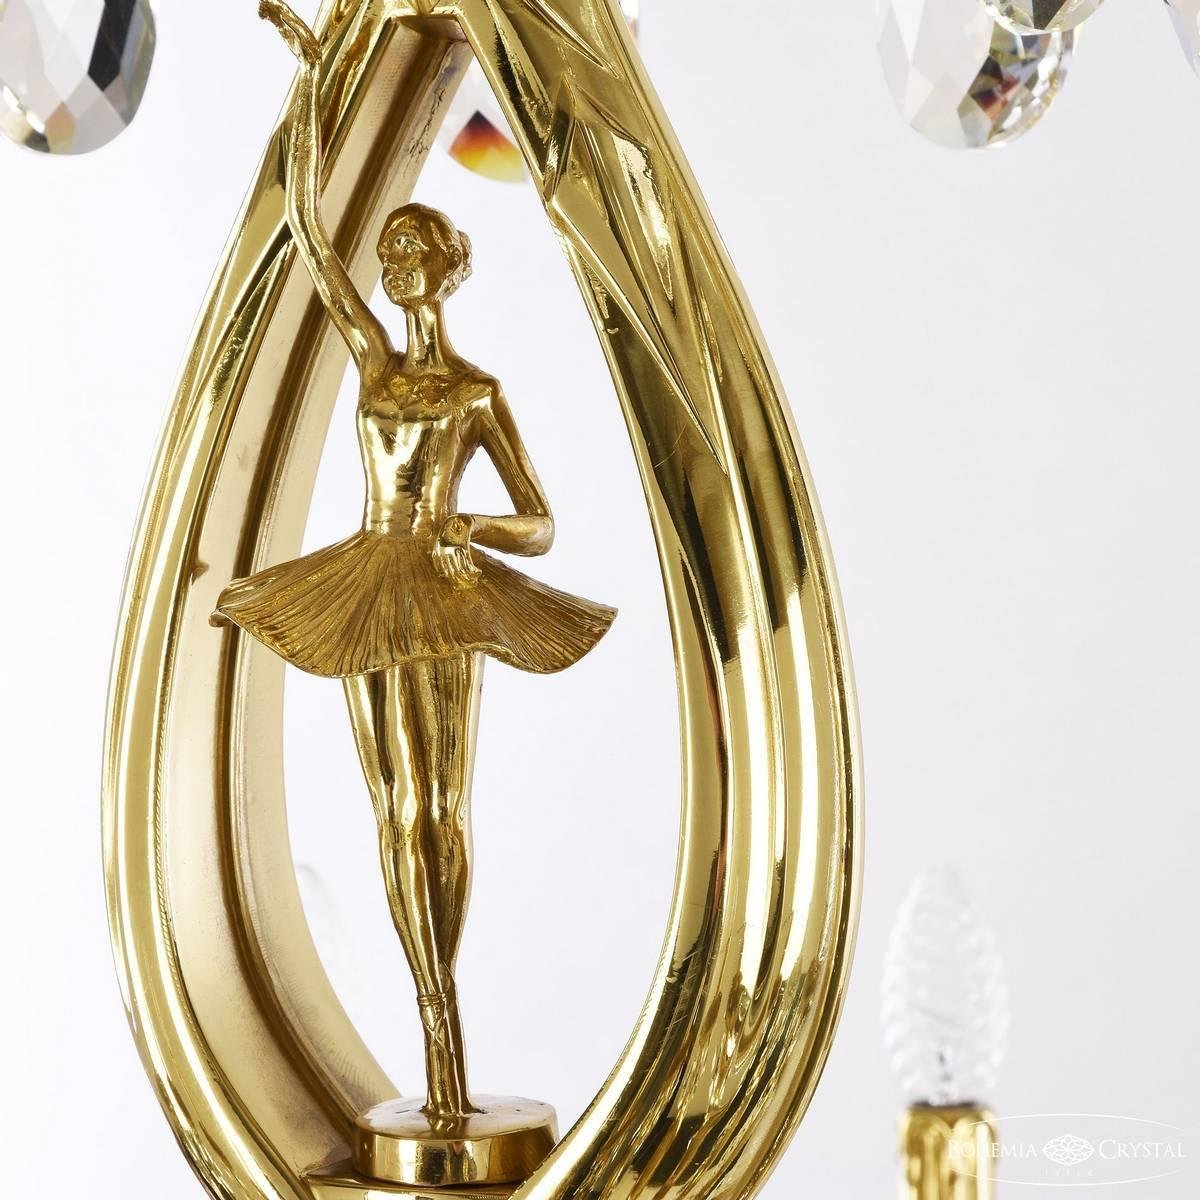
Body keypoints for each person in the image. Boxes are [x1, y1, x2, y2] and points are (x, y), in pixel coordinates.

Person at [215, 0, 616, 1121]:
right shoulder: (373, 362)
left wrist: (468, 531)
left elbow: (538, 520)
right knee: (390, 805)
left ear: (448, 266)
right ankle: (431, 1011)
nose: (394, 263)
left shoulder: (473, 392)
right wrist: (314, 81)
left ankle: (447, 1028)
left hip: (442, 583)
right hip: (365, 577)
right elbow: (309, 231)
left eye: (412, 249)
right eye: (388, 251)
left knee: (442, 801)